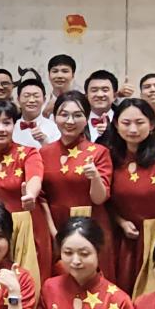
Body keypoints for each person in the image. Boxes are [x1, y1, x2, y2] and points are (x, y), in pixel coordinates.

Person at [102, 98, 155, 296]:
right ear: (116, 125)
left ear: (152, 124)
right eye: (126, 123)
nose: (133, 129)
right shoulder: (110, 157)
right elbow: (106, 201)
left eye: (139, 122)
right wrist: (120, 222)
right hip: (125, 237)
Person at [37, 90, 114, 276]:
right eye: (64, 115)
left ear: (86, 119)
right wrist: (53, 231)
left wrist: (95, 177)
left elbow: (99, 198)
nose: (70, 121)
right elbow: (42, 198)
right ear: (54, 118)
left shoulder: (99, 152)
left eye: (77, 115)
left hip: (91, 223)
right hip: (55, 224)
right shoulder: (43, 153)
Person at [0, 98, 45, 282]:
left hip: (26, 227)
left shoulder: (28, 153)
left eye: (6, 123)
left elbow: (35, 176)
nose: (1, 129)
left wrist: (30, 194)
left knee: (30, 280)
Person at [12, 78, 61, 150]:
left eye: (36, 96)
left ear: (44, 100)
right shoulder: (11, 127)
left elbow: (58, 153)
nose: (31, 100)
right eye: (26, 96)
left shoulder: (54, 128)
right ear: (18, 100)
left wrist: (45, 142)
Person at [84, 70, 118, 140]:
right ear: (86, 96)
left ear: (114, 96)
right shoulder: (79, 119)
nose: (99, 95)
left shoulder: (123, 120)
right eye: (94, 90)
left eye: (105, 90)